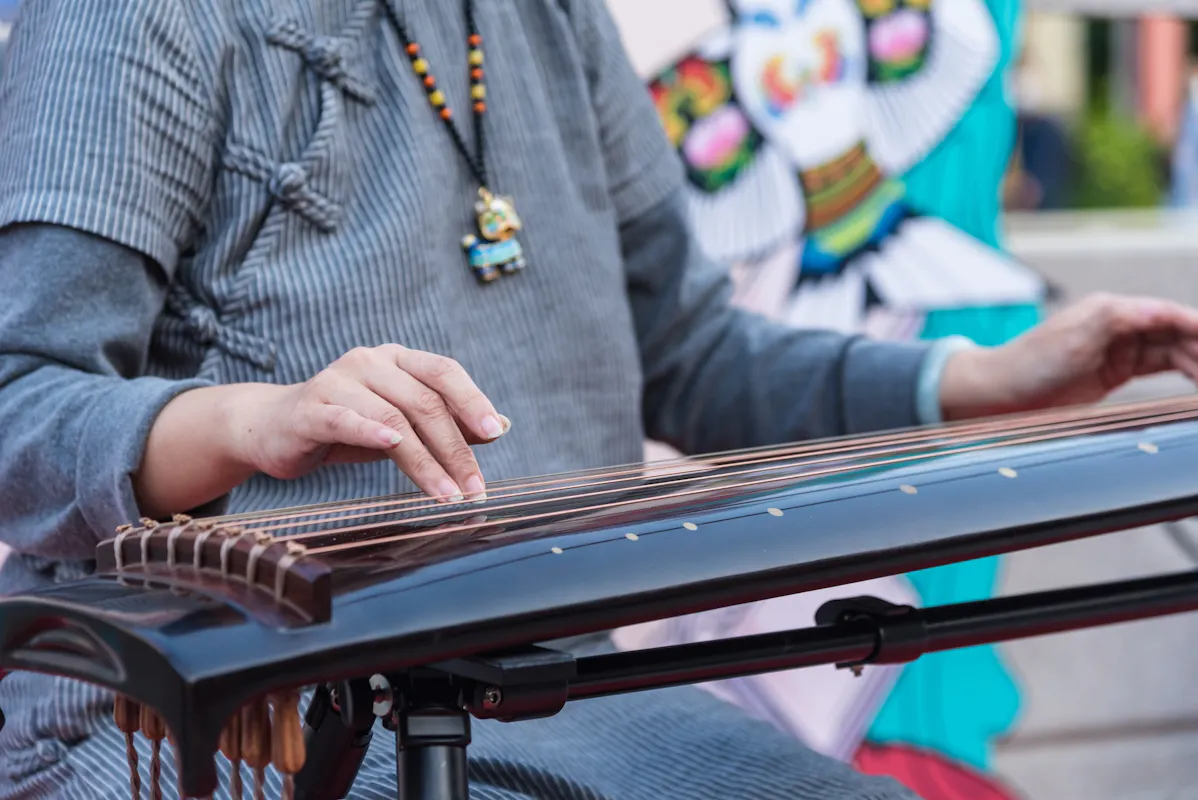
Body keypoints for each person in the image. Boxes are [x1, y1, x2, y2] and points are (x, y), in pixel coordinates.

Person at [0, 2, 1197, 799]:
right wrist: (240, 422)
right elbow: (17, 401)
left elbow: (687, 351)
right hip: (194, 724)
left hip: (538, 696)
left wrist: (984, 379)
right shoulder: (136, 16)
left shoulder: (544, 18)